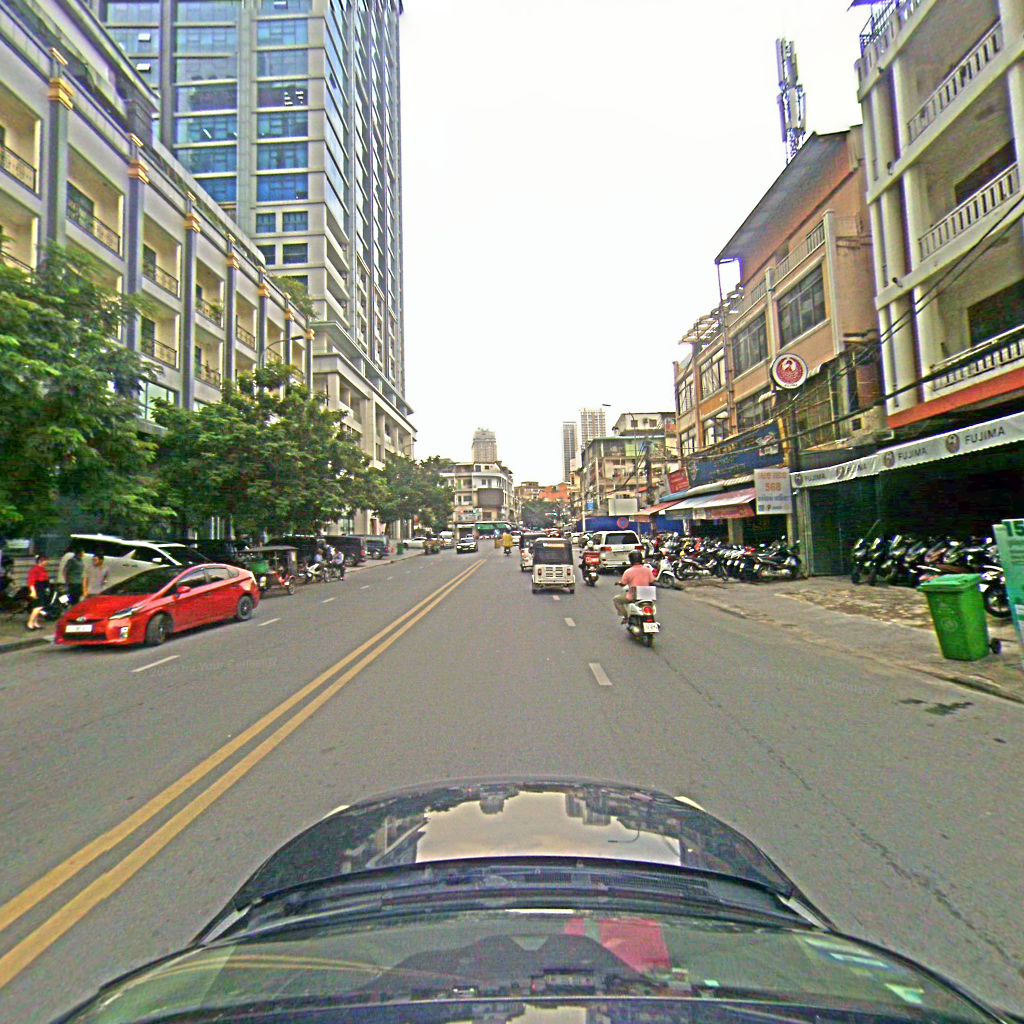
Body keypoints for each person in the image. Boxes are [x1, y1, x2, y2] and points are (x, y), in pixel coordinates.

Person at [613, 550, 656, 623]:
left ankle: (625, 617)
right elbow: (652, 581)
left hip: (634, 594)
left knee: (616, 600)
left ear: (631, 560)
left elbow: (623, 583)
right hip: (647, 594)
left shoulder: (628, 571)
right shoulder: (647, 570)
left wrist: (618, 583)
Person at [26, 554, 51, 630]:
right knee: (38, 607)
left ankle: (35, 623)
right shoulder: (35, 570)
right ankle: (30, 623)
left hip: (42, 589)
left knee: (38, 607)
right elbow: (31, 582)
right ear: (41, 561)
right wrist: (33, 592)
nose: (48, 562)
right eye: (46, 560)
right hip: (37, 589)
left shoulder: (43, 569)